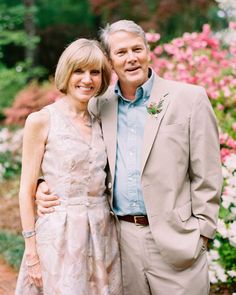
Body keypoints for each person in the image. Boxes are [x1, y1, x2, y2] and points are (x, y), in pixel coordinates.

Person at [36, 20, 222, 295]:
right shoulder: (99, 105)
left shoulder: (189, 99)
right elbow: (75, 152)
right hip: (122, 242)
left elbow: (208, 172)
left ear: (148, 52)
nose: (131, 58)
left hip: (178, 240)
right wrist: (42, 184)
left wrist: (202, 234)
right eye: (121, 52)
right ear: (110, 61)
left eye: (137, 49)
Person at [15, 38, 122, 295]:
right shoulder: (41, 120)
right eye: (79, 71)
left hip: (102, 233)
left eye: (94, 72)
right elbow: (25, 190)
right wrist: (31, 251)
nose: (87, 79)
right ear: (66, 73)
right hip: (59, 235)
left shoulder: (103, 122)